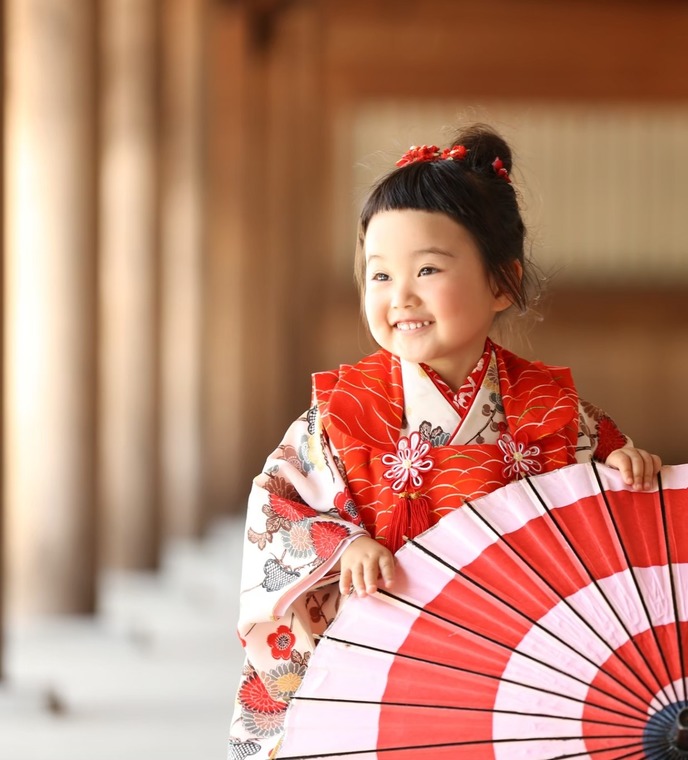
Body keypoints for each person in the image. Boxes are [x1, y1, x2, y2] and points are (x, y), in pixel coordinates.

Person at [227, 124, 662, 760]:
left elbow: (608, 524)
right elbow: (279, 503)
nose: (399, 296)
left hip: (514, 656)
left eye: (428, 268)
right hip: (384, 650)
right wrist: (343, 545)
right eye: (378, 276)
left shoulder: (550, 410)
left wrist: (625, 468)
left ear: (502, 282)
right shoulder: (344, 412)